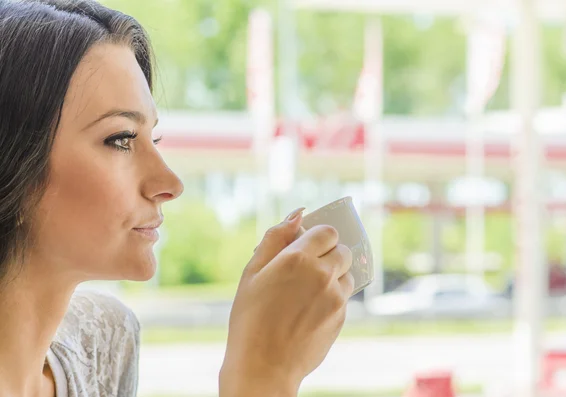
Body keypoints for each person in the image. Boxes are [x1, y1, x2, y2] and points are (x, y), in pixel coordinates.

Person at [0, 1, 355, 396]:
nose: (170, 182)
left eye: (154, 138)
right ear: (11, 166)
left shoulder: (104, 340)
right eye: (121, 139)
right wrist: (262, 375)